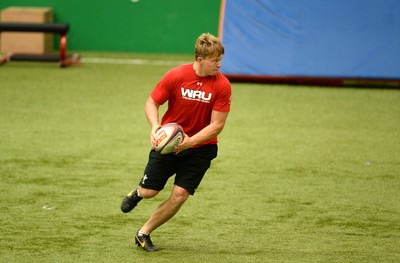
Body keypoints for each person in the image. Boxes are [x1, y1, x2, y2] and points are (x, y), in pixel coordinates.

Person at [120, 33, 232, 252]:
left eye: (220, 60)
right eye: (214, 60)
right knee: (150, 191)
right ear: (200, 59)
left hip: (201, 148)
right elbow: (152, 102)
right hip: (168, 145)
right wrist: (155, 127)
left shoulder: (223, 85)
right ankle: (138, 193)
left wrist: (191, 142)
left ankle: (143, 233)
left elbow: (217, 125)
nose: (219, 64)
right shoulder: (176, 75)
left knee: (180, 195)